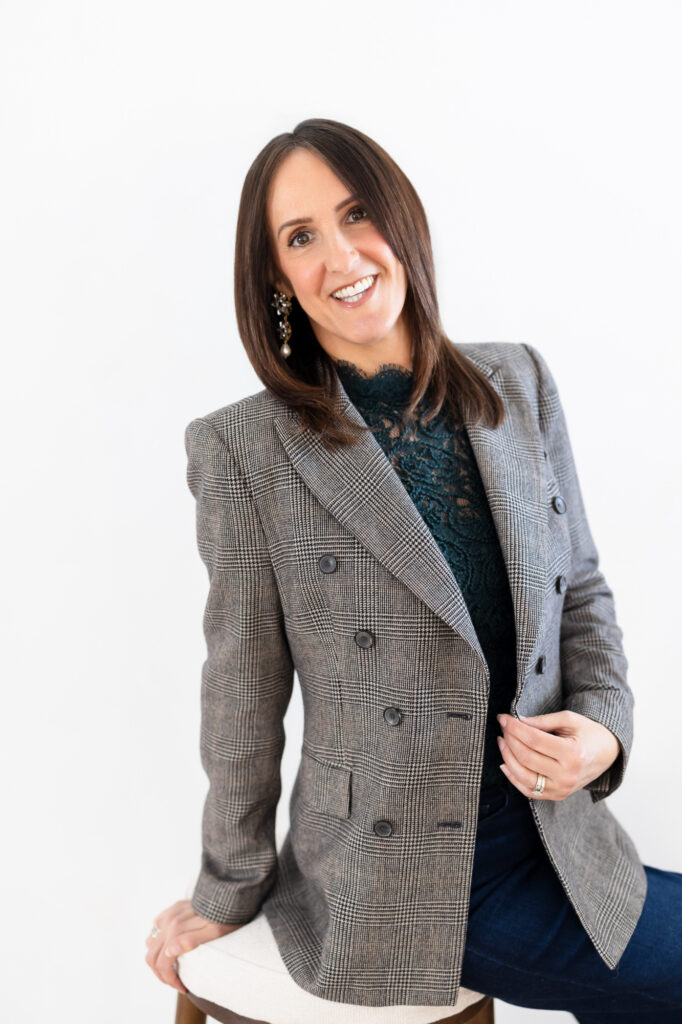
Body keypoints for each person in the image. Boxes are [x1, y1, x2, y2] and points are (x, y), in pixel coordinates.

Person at [145, 118, 682, 1023]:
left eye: (358, 214)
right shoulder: (244, 449)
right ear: (277, 277)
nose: (343, 254)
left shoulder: (519, 382)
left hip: (562, 836)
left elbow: (581, 591)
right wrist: (225, 889)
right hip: (407, 881)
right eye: (301, 236)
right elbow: (240, 689)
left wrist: (604, 733)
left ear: (402, 222)